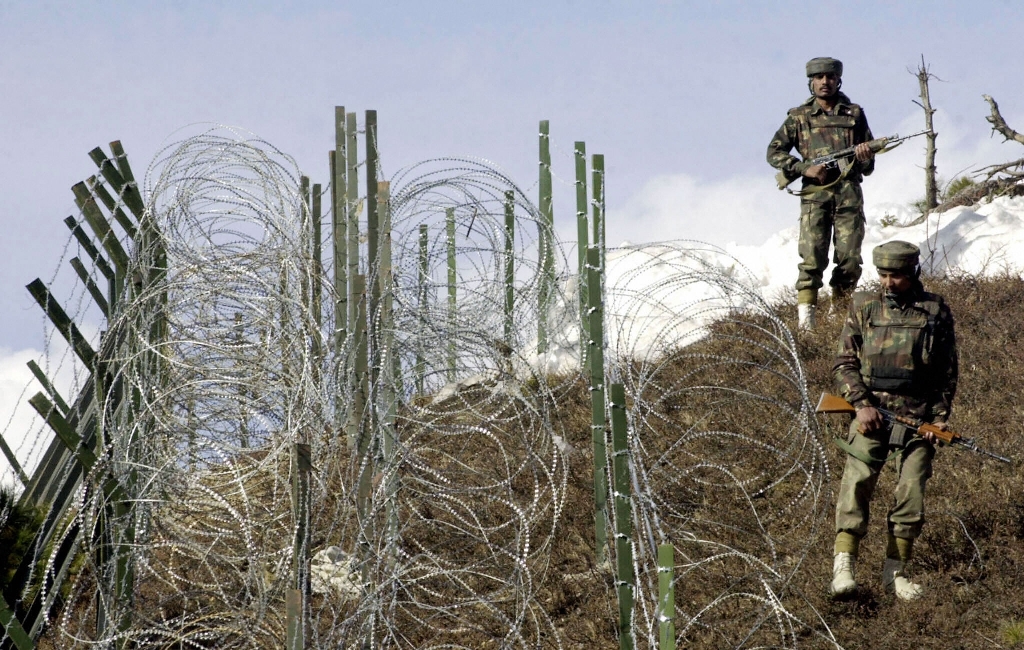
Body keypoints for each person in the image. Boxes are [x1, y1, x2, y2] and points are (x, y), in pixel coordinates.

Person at [829, 241, 958, 600]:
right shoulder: (863, 306)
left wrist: (939, 419)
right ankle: (844, 568)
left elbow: (947, 372)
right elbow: (844, 362)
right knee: (856, 484)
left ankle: (896, 573)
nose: (889, 282)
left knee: (911, 492)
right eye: (883, 275)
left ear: (914, 272)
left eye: (896, 275)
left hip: (917, 420)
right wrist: (861, 405)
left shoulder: (935, 309)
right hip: (871, 415)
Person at [767, 57, 876, 330]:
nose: (824, 82)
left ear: (838, 80)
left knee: (850, 259)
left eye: (829, 77)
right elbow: (774, 152)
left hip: (849, 194)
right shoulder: (799, 117)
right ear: (811, 82)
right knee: (812, 258)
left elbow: (869, 165)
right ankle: (807, 324)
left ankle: (839, 317)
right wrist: (805, 168)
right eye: (819, 77)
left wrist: (863, 156)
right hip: (816, 196)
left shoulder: (854, 114)